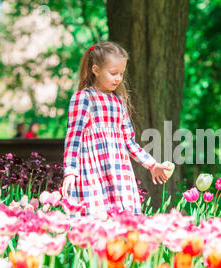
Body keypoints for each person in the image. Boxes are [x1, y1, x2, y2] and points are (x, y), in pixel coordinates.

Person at [62, 41, 170, 217]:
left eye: (121, 73)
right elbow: (74, 138)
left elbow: (129, 142)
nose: (118, 78)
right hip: (93, 173)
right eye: (113, 73)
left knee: (123, 222)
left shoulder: (118, 102)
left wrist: (151, 164)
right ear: (95, 70)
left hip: (119, 173)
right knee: (96, 222)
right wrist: (71, 171)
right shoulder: (83, 98)